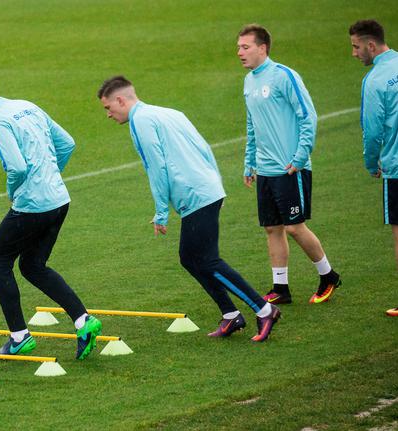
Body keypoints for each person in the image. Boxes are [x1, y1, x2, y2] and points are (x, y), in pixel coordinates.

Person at [97, 75, 281, 342]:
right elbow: (204, 147)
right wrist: (214, 183)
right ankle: (230, 315)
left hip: (196, 195)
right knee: (190, 257)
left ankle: (264, 309)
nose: (108, 115)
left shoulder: (141, 122)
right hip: (206, 189)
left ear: (121, 100)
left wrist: (161, 212)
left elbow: (156, 168)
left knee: (207, 260)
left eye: (107, 108)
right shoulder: (168, 113)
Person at [0, 74, 102, 358]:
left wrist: (14, 191)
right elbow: (68, 143)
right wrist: (50, 176)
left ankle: (20, 337)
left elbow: (17, 168)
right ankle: (83, 320)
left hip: (32, 205)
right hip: (60, 199)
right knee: (33, 265)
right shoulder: (27, 105)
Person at [237, 24, 341, 305]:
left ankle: (328, 275)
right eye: (238, 47)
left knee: (295, 227)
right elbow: (252, 125)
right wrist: (250, 162)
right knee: (272, 228)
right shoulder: (249, 81)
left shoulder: (284, 76)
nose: (239, 52)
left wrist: (299, 156)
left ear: (262, 48)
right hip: (266, 169)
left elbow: (308, 116)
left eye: (245, 47)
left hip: (289, 168)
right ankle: (280, 288)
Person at [349, 19, 398, 318]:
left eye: (356, 47)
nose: (354, 53)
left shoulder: (375, 80)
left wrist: (371, 164)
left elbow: (372, 132)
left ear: (371, 45)